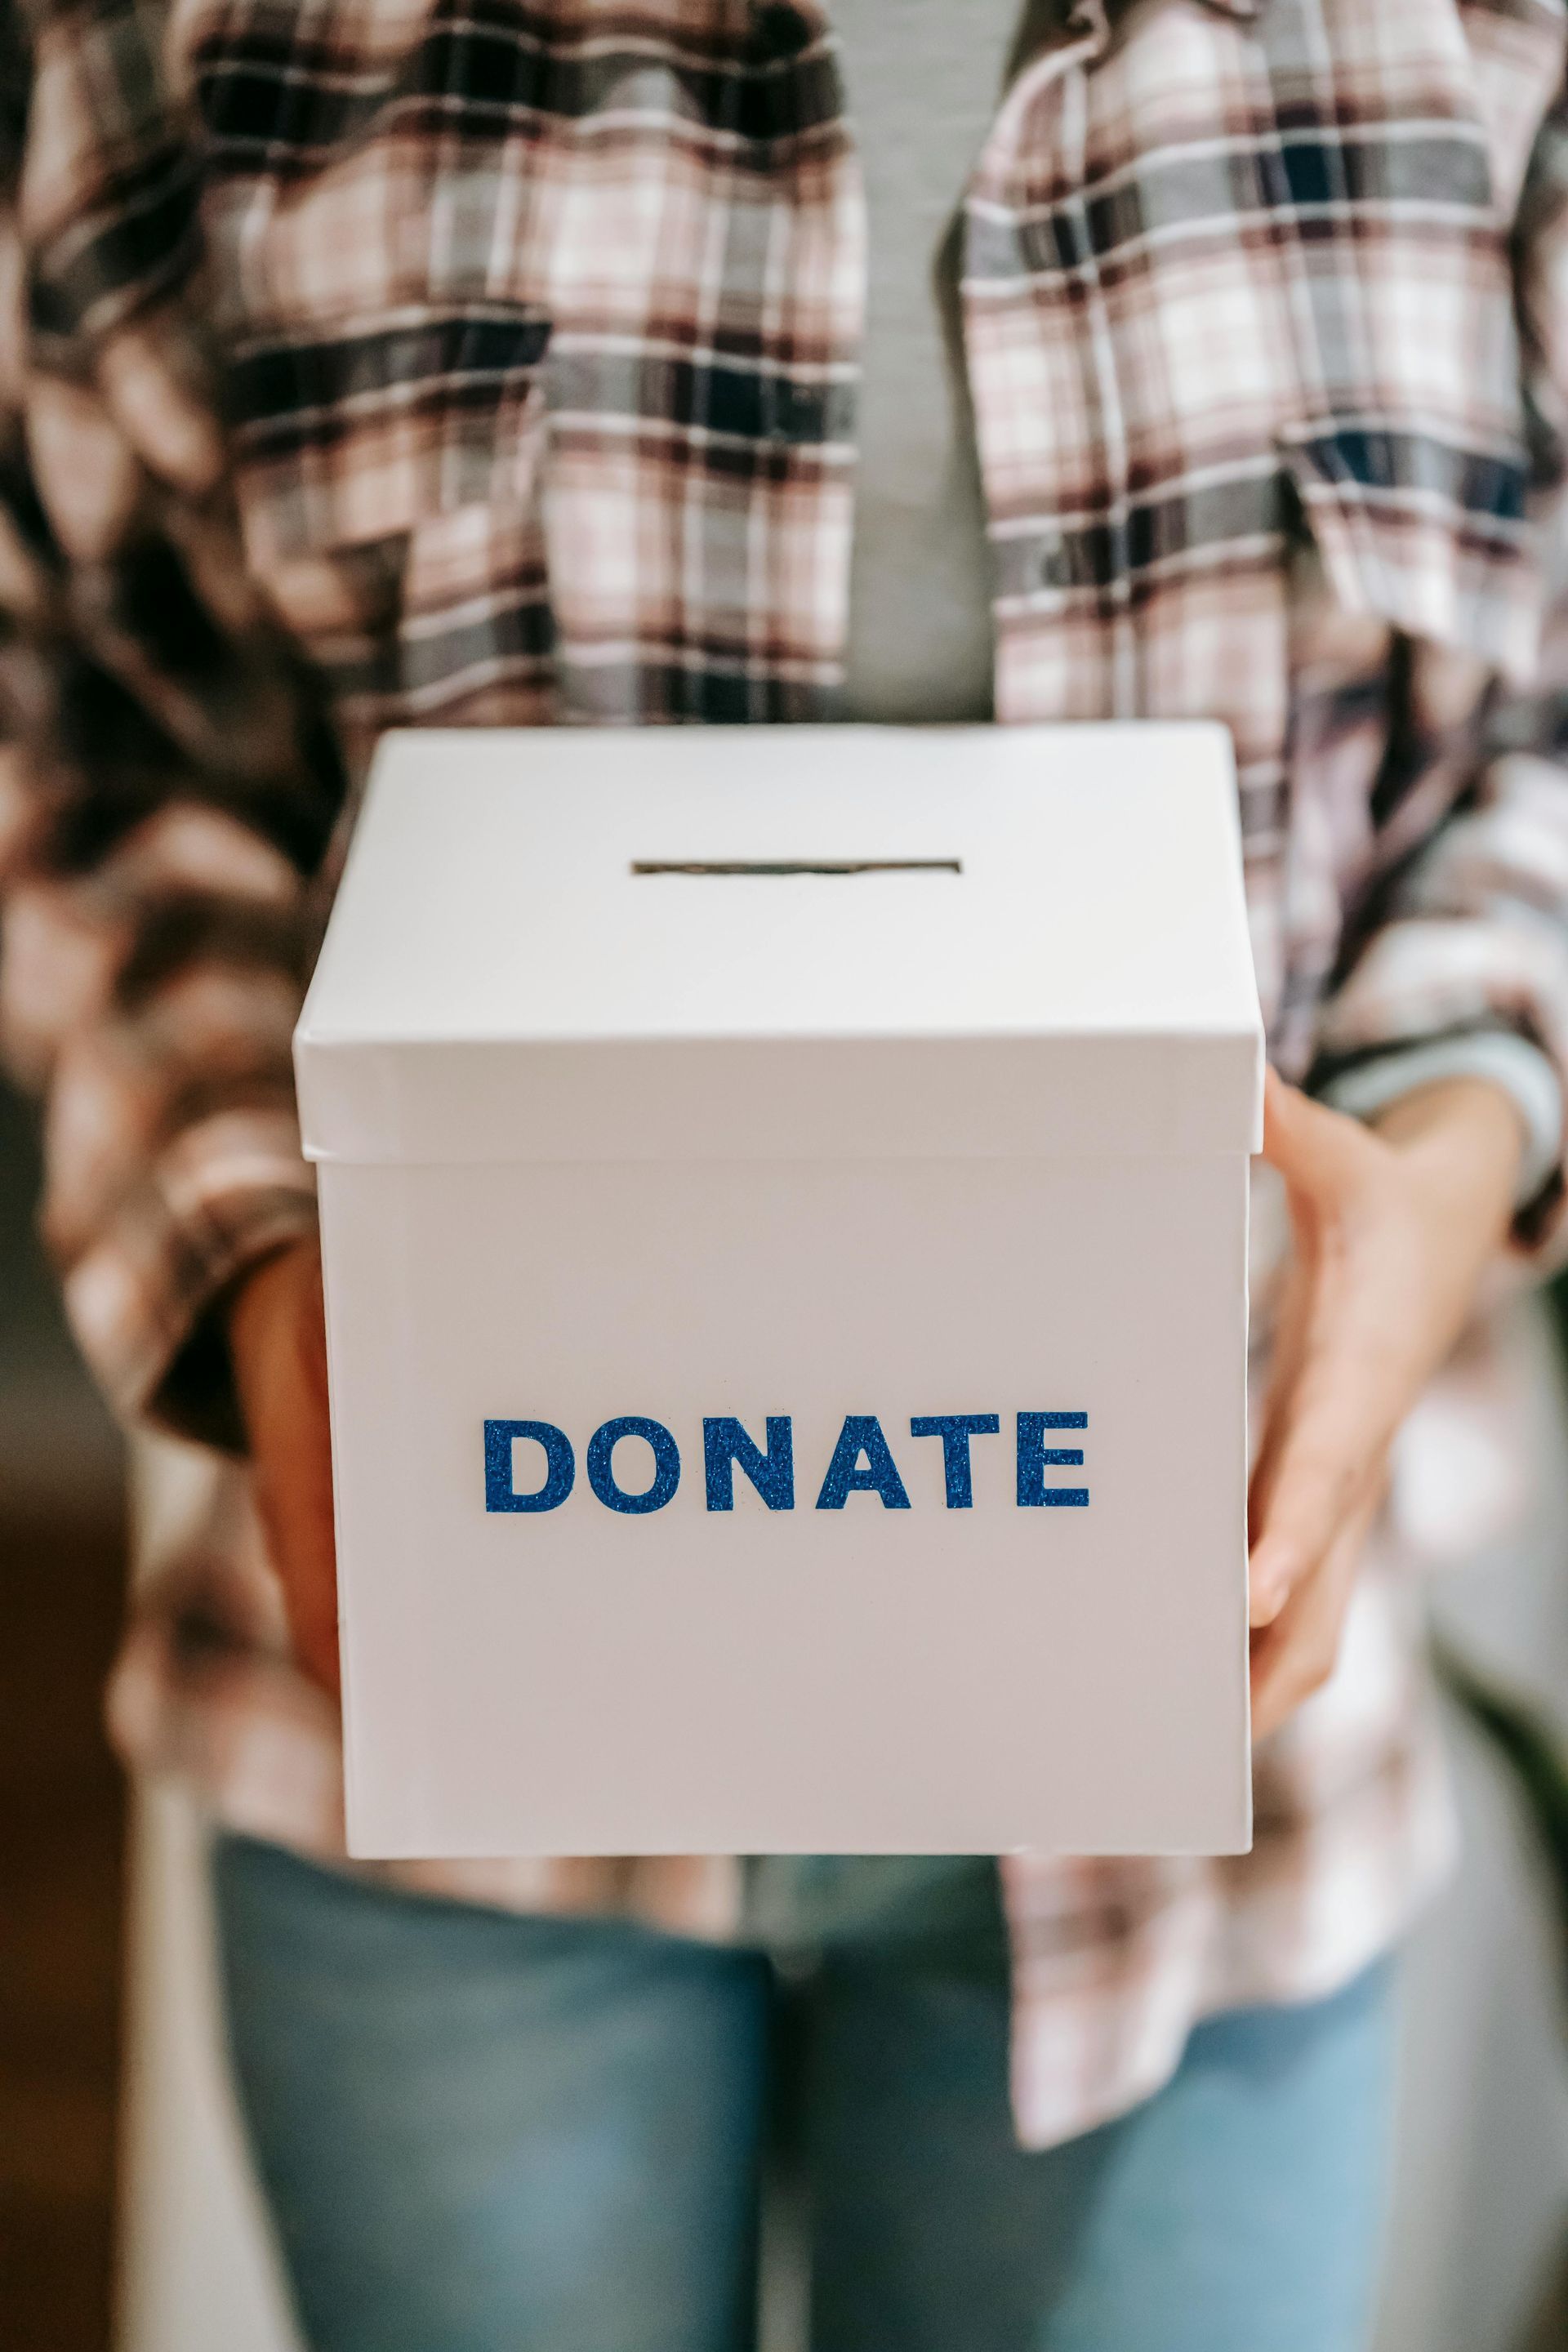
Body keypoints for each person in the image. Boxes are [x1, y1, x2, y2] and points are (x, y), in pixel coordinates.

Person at [3, 0, 1567, 2345]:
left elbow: (1541, 735)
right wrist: (260, 1268)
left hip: (1198, 1762)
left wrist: (1440, 1166)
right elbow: (73, 717)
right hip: (445, 1749)